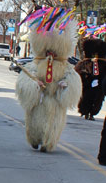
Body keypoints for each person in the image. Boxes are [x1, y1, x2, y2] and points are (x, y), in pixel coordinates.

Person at [15, 8, 81, 152]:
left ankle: (48, 143)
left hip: (55, 99)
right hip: (39, 99)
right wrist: (34, 84)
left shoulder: (66, 66)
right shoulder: (36, 63)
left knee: (54, 123)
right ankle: (34, 139)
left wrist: (66, 86)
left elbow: (73, 81)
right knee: (34, 121)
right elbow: (25, 79)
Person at [74, 38, 106, 121]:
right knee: (87, 95)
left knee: (97, 97)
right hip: (88, 82)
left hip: (99, 83)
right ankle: (86, 111)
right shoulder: (85, 63)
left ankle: (91, 112)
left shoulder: (102, 64)